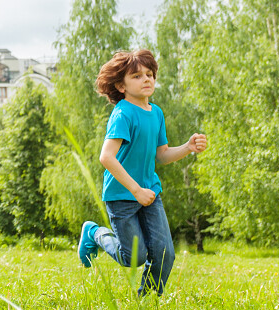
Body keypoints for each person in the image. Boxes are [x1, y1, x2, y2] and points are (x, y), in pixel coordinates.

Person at [78, 49, 207, 295]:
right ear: (121, 85)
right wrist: (135, 190)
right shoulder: (123, 113)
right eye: (137, 76)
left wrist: (188, 147)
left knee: (165, 252)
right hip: (122, 195)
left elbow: (162, 155)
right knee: (133, 257)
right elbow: (106, 157)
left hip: (149, 193)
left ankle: (147, 300)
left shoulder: (156, 113)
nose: (146, 79)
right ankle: (94, 232)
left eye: (150, 74)